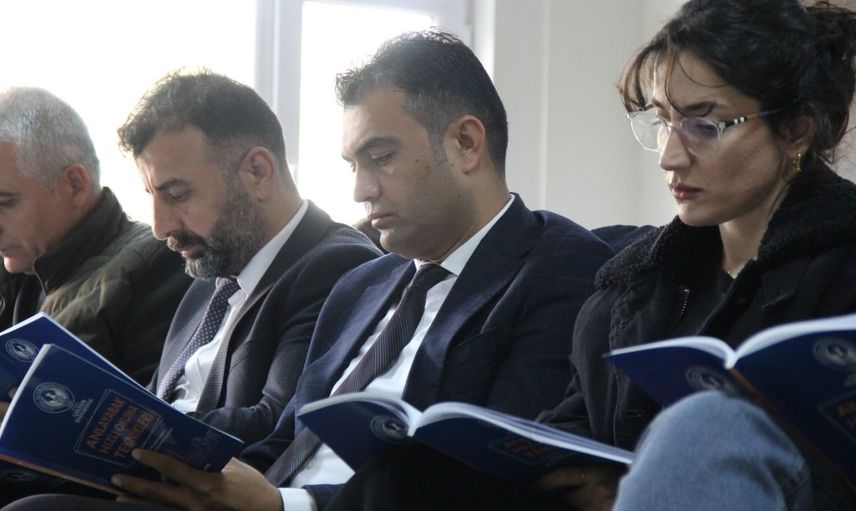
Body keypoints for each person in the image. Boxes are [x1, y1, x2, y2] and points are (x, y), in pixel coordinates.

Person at [273, 1, 856, 510]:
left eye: (705, 125)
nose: (669, 156)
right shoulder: (634, 287)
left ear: (796, 130)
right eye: (663, 122)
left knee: (708, 423)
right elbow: (571, 430)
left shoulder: (840, 263)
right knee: (412, 471)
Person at [5, 30, 613, 511]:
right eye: (352, 164)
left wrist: (282, 505)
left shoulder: (561, 269)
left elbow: (481, 474)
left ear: (466, 143)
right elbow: (285, 438)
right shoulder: (363, 287)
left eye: (380, 157)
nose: (360, 191)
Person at [115, 71, 381, 445]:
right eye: (152, 197)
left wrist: (132, 432)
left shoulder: (339, 267)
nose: (160, 227)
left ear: (258, 172)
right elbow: (156, 398)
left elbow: (277, 425)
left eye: (177, 195)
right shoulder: (210, 280)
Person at [0, 87, 190, 384]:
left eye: (5, 203)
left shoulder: (157, 265)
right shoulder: (21, 266)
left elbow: (154, 410)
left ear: (75, 185)